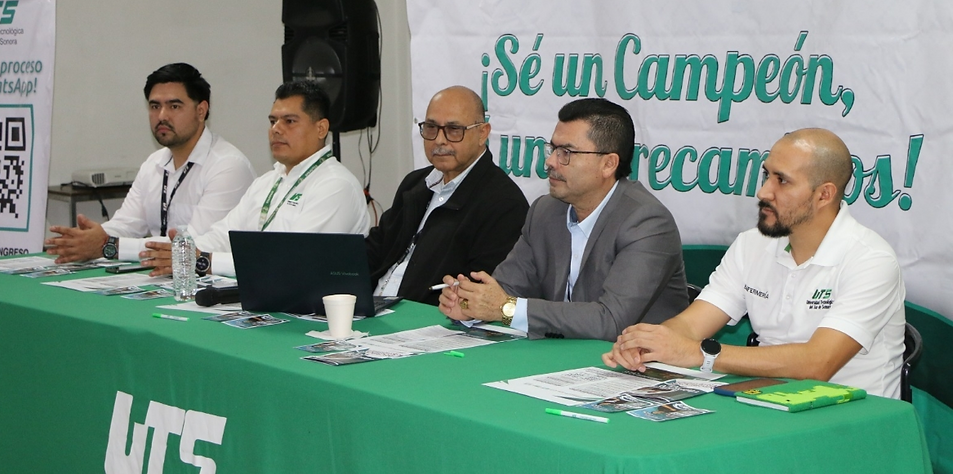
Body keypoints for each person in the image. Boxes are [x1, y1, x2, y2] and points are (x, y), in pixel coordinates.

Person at [603, 128, 906, 398]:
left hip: (854, 419)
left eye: (782, 181)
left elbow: (817, 363)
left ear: (824, 195)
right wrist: (650, 343)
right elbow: (692, 324)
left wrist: (701, 354)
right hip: (765, 401)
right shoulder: (752, 244)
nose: (763, 192)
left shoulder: (871, 260)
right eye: (766, 175)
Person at [438, 98, 687, 341]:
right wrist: (471, 303)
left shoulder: (647, 222)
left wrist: (506, 309)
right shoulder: (545, 211)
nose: (550, 162)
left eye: (566, 153)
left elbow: (611, 321)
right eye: (553, 149)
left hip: (635, 361)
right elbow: (505, 291)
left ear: (608, 164)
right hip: (561, 356)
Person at [140, 80, 371, 276]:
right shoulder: (268, 181)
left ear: (321, 129)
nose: (276, 129)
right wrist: (184, 251)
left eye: (289, 121)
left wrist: (203, 261)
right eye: (272, 121)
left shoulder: (335, 186)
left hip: (313, 309)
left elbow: (291, 262)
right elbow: (225, 235)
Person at [45, 63, 255, 263]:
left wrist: (107, 245)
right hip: (160, 273)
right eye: (155, 106)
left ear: (201, 111)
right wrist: (90, 238)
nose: (162, 116)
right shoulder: (154, 163)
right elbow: (127, 223)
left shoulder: (228, 166)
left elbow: (194, 244)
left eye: (174, 106)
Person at [368, 86, 529, 305]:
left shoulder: (504, 204)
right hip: (372, 309)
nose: (439, 140)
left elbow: (478, 293)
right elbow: (376, 249)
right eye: (431, 128)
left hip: (429, 317)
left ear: (482, 133)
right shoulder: (415, 184)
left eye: (454, 129)